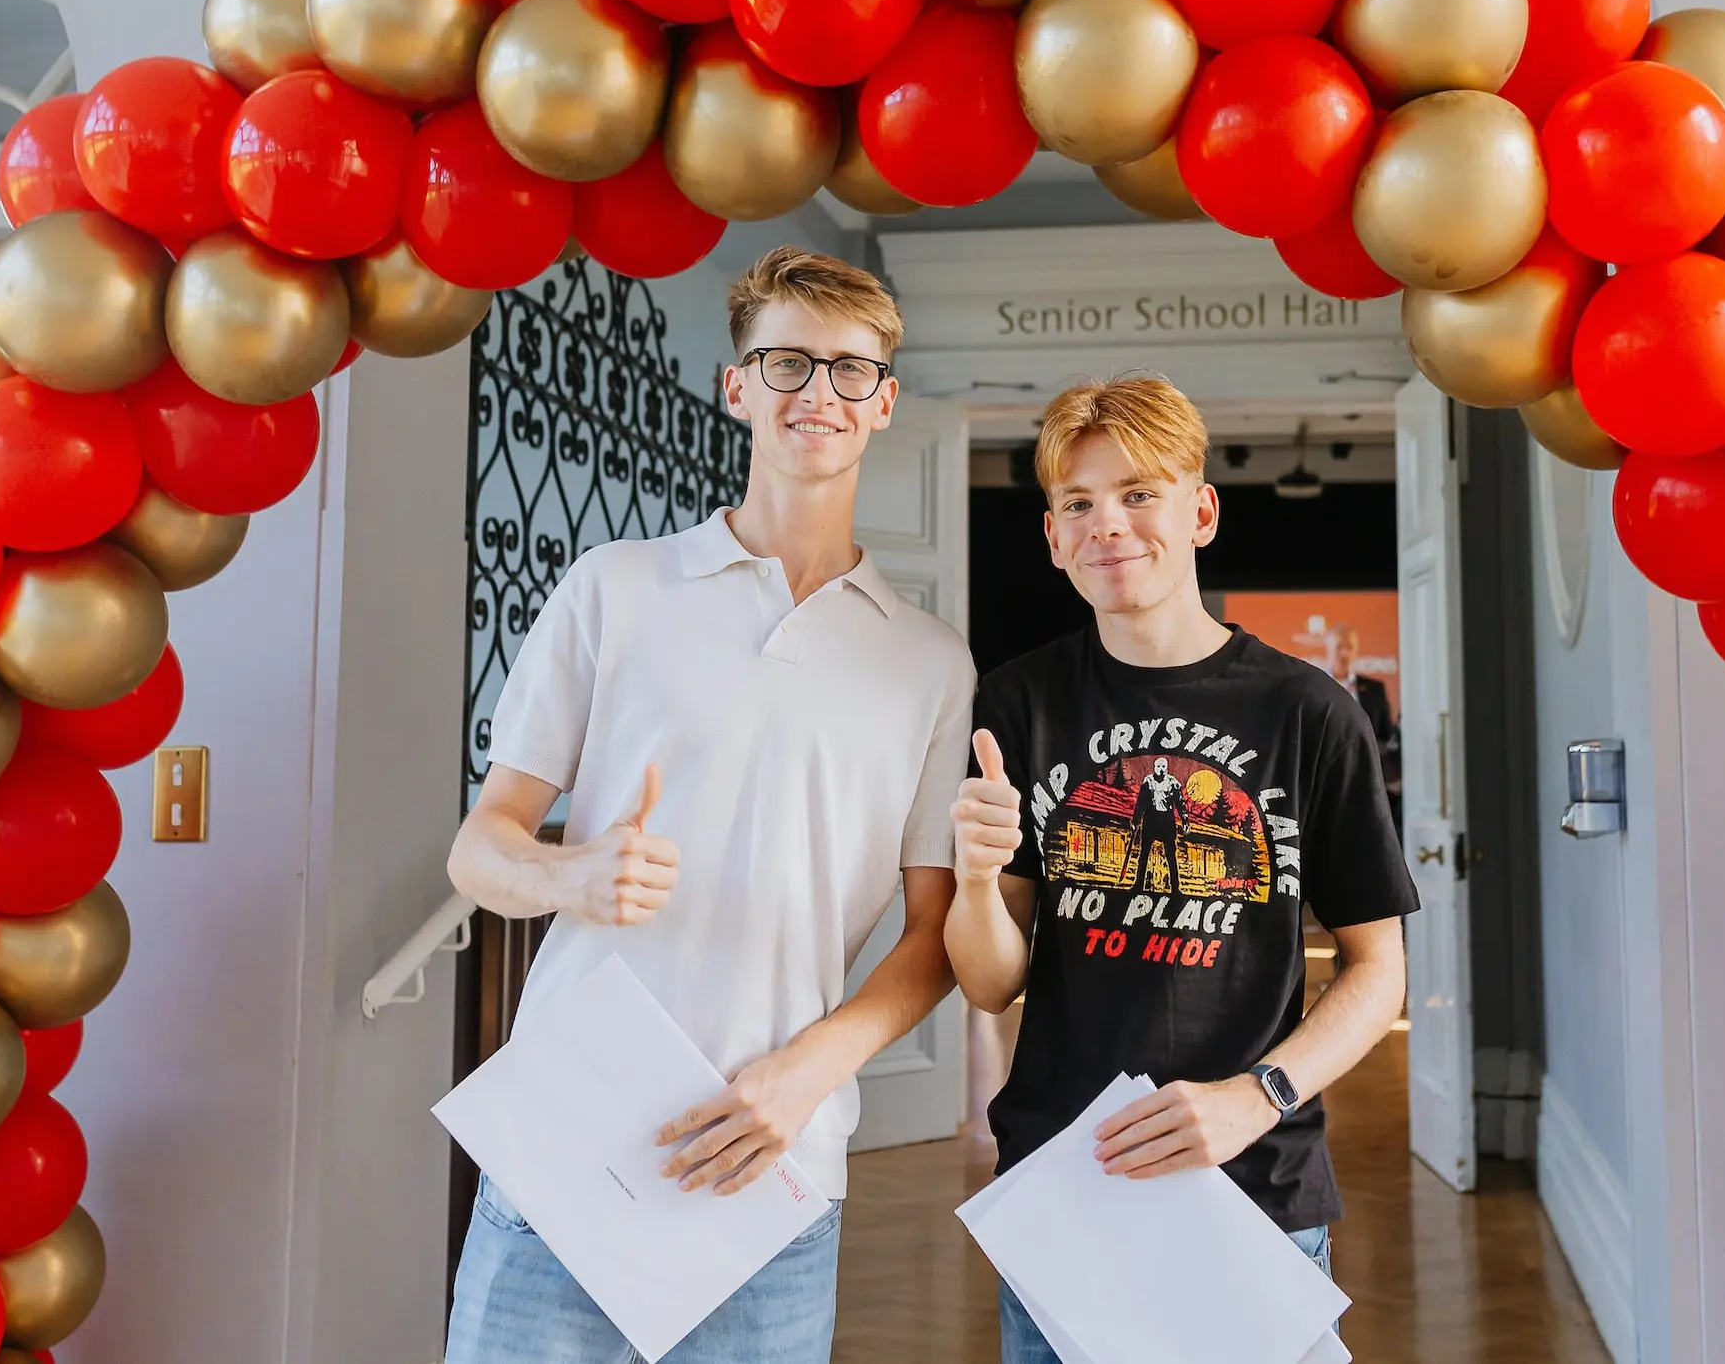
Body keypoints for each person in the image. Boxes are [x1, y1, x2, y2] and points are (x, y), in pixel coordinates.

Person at [443, 247, 975, 1364]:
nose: (814, 394)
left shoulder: (930, 664)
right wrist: (566, 875)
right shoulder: (613, 588)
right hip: (564, 1152)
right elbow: (478, 851)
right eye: (786, 364)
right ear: (737, 387)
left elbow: (935, 939)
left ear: (883, 404)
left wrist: (810, 1071)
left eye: (845, 371)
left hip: (773, 1163)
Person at [944, 373, 1416, 1364]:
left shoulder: (1307, 714)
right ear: (1051, 538)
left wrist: (1258, 1097)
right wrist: (980, 878)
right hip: (1065, 1186)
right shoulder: (1017, 703)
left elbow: (1379, 974)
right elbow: (992, 980)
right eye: (1077, 503)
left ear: (1199, 512)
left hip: (1251, 1186)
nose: (1106, 524)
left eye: (1137, 494)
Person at [1327, 625, 1404, 841]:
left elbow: (1386, 735)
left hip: (1369, 775)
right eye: (1339, 647)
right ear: (1328, 648)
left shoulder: (1374, 689)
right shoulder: (1315, 686)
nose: (1344, 653)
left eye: (1349, 647)